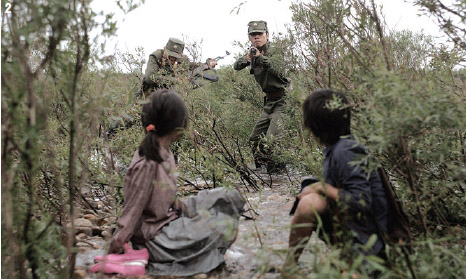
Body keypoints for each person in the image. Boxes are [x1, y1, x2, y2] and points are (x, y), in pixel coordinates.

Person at [107, 89, 245, 276]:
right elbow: (132, 209)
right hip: (158, 237)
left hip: (171, 216)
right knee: (221, 223)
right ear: (179, 125)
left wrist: (191, 209)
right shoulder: (147, 162)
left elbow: (167, 199)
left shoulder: (165, 153)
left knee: (228, 196)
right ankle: (175, 258)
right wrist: (116, 244)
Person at [285, 89, 388, 269]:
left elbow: (361, 201)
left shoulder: (345, 151)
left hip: (370, 243)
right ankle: (291, 266)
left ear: (316, 126)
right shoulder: (340, 147)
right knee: (310, 196)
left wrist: (321, 187)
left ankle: (294, 265)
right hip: (357, 231)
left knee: (310, 201)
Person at [233, 20, 290, 174]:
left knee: (272, 140)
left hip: (283, 100)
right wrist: (248, 59)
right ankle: (264, 174)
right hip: (269, 102)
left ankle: (278, 173)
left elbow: (278, 68)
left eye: (259, 34)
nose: (256, 37)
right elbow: (236, 66)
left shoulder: (276, 50)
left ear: (267, 35)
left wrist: (261, 58)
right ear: (249, 37)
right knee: (254, 140)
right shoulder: (251, 52)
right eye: (253, 35)